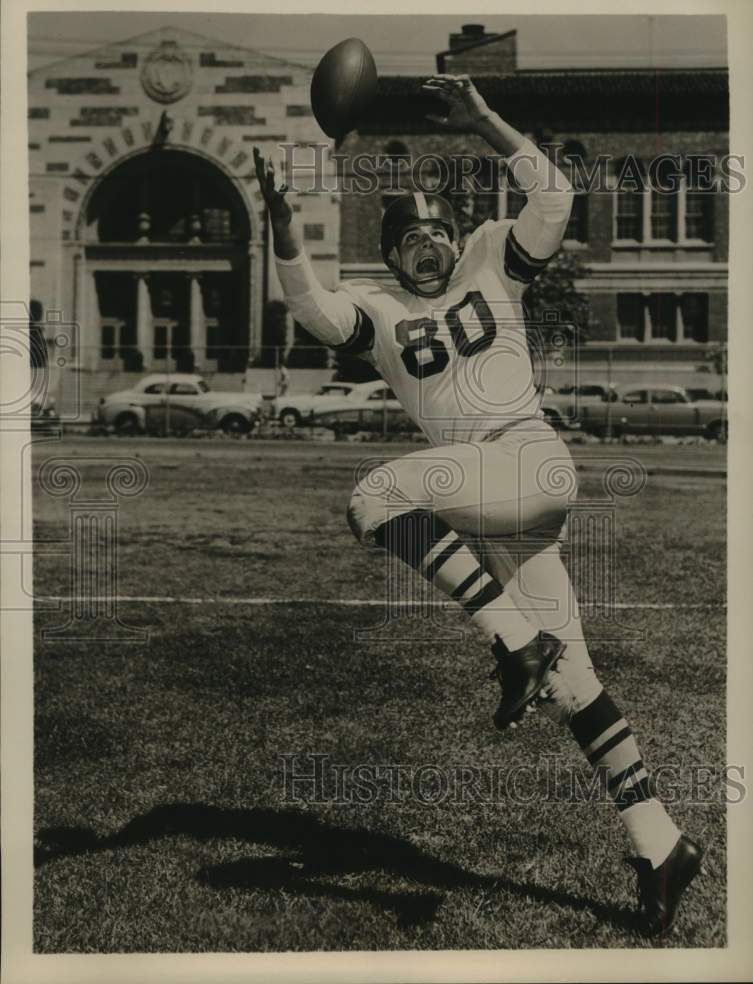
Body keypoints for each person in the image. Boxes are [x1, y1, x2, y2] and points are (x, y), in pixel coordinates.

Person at [253, 74, 702, 938]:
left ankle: (511, 641)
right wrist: (280, 224)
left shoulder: (496, 257)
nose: (425, 245)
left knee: (376, 494)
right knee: (575, 684)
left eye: (435, 230)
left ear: (456, 233)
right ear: (387, 255)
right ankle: (661, 844)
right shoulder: (379, 315)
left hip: (528, 459)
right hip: (490, 506)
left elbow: (555, 190)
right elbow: (308, 303)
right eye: (408, 238)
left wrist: (485, 121)